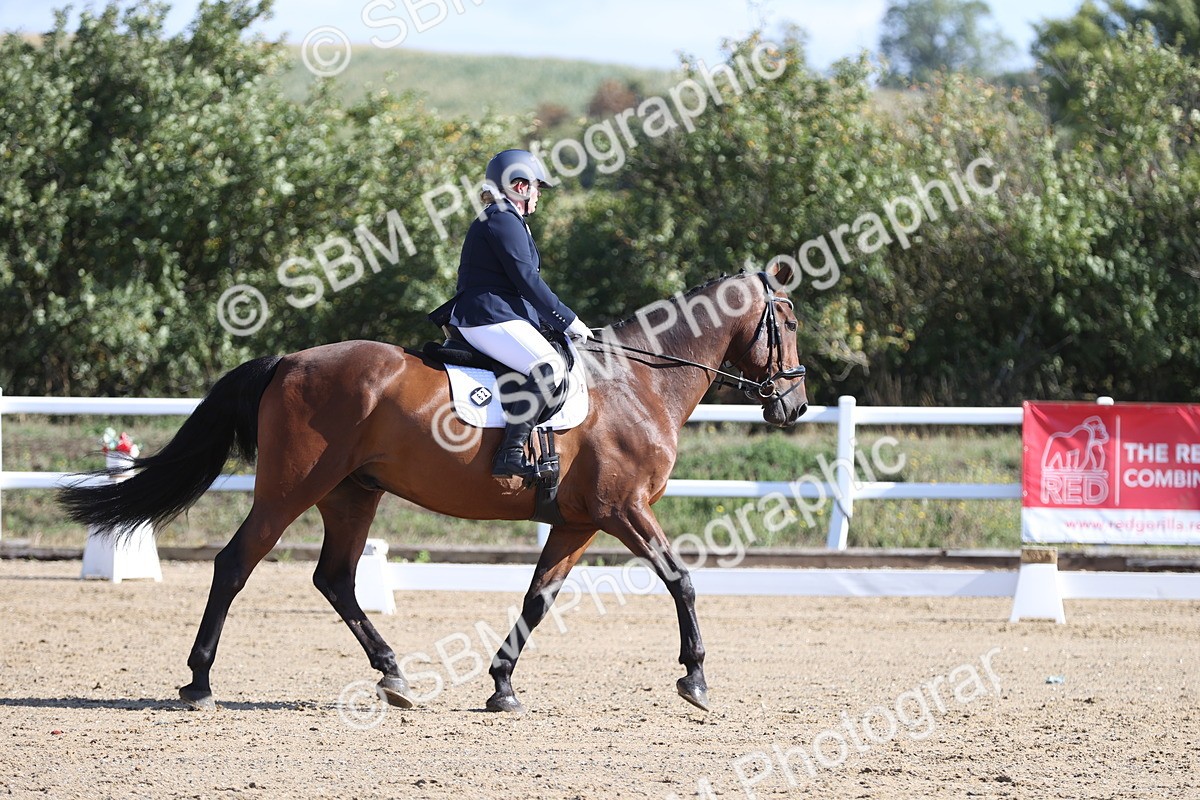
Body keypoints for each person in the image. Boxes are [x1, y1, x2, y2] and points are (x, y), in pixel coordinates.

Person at [431, 149, 593, 479]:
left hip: (499, 313)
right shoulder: (502, 217)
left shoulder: (505, 217)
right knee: (548, 366)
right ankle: (511, 453)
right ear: (520, 186)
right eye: (536, 187)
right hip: (487, 315)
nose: (538, 196)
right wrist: (568, 319)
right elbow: (527, 280)